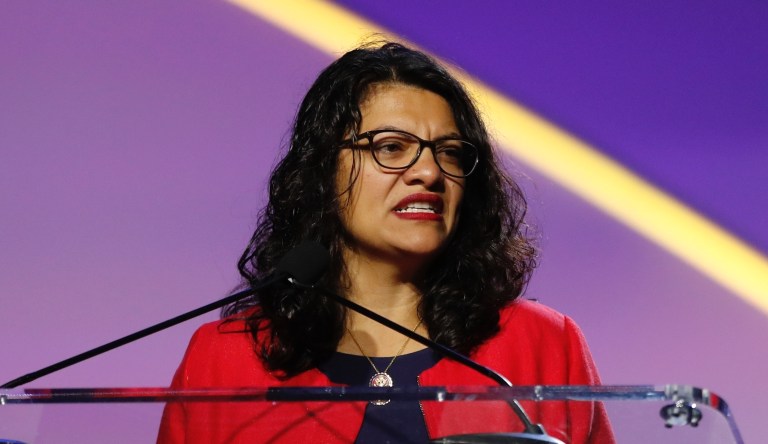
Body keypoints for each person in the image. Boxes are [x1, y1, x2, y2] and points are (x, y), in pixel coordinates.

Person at [158, 41, 613, 443]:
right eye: (391, 147)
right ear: (322, 172)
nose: (430, 173)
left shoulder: (544, 342)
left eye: (449, 152)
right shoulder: (222, 356)